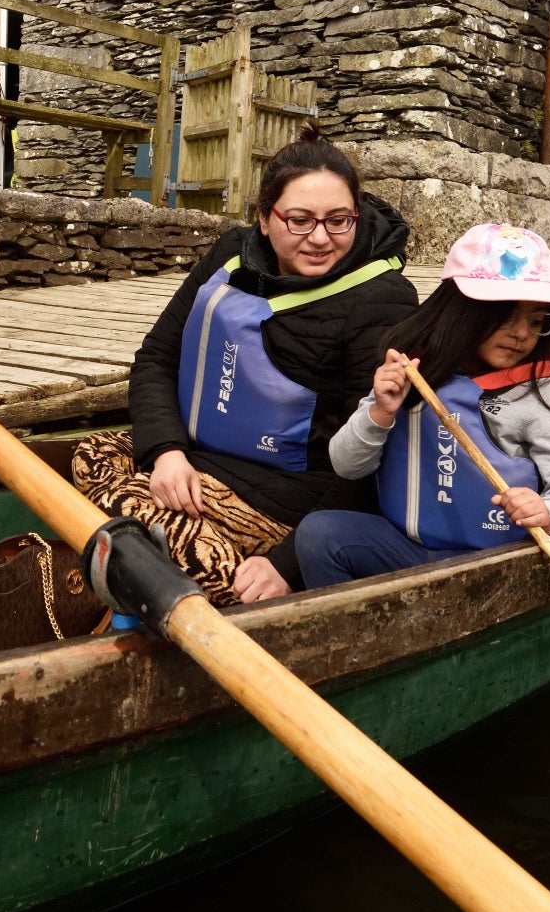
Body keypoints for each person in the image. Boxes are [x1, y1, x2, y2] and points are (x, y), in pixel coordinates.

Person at [71, 125, 418, 605]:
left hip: (287, 500)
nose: (320, 238)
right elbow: (156, 357)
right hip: (197, 461)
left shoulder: (382, 300)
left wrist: (286, 564)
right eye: (299, 220)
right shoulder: (231, 254)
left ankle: (188, 571)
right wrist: (166, 453)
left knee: (164, 539)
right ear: (263, 217)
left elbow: (379, 457)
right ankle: (147, 560)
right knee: (91, 453)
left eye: (339, 220)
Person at [292, 225, 550, 587]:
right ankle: (348, 631)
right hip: (406, 550)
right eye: (505, 316)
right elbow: (346, 466)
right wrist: (380, 412)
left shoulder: (541, 397)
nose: (522, 333)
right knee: (319, 534)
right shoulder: (410, 373)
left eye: (536, 321)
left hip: (493, 565)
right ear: (461, 310)